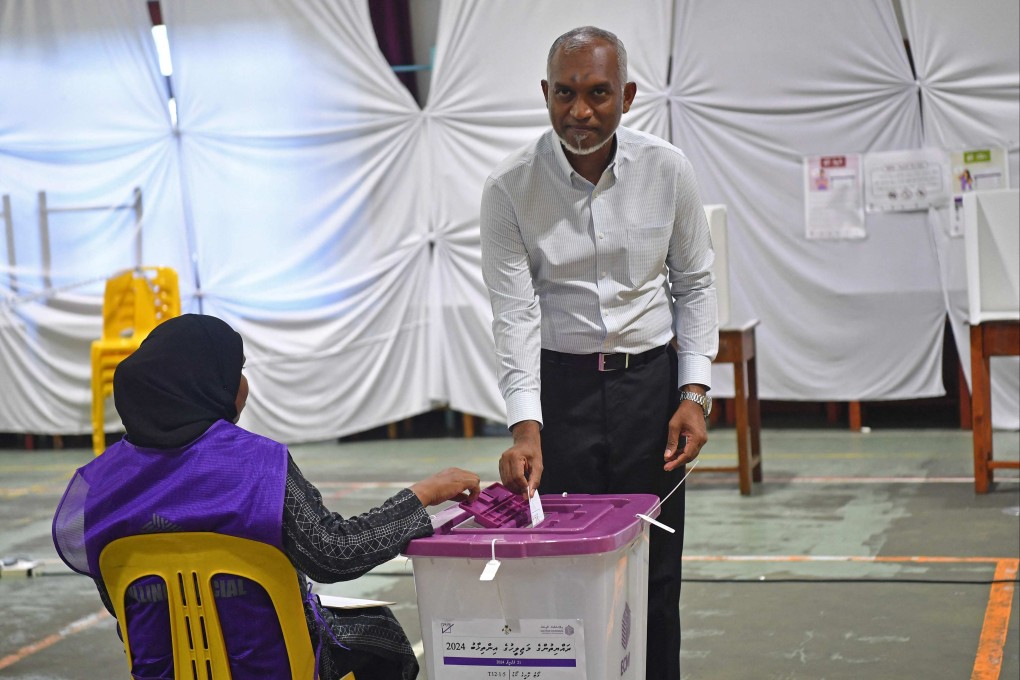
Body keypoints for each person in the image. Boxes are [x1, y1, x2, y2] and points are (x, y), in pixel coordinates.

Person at [52, 314, 480, 680]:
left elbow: (117, 598)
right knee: (384, 634)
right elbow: (333, 554)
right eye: (236, 369)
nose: (243, 382)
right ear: (209, 382)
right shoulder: (258, 462)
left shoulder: (96, 484)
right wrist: (420, 495)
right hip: (270, 663)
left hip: (165, 665)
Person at [479, 26, 718, 680]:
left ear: (628, 95)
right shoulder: (509, 188)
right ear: (545, 93)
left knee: (656, 570)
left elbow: (695, 282)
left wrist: (693, 395)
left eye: (597, 94)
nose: (579, 112)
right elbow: (515, 311)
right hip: (564, 394)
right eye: (564, 94)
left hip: (652, 392)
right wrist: (526, 427)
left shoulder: (667, 170)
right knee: (566, 567)